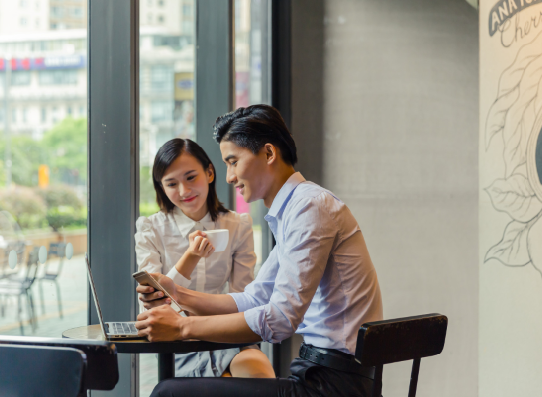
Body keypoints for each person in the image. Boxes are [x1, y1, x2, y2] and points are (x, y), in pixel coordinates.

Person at [136, 105, 383, 397]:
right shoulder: (296, 209)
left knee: (168, 392)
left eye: (233, 161)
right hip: (321, 374)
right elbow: (255, 298)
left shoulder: (310, 208)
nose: (229, 177)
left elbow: (279, 319)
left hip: (334, 385)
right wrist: (177, 294)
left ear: (268, 153)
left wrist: (183, 328)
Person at [135, 138, 274, 378]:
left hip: (226, 336)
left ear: (209, 172)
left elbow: (245, 298)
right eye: (171, 183)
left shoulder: (237, 225)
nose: (184, 191)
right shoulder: (150, 229)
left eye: (191, 177)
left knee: (257, 372)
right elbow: (154, 304)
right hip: (175, 344)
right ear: (161, 187)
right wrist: (191, 256)